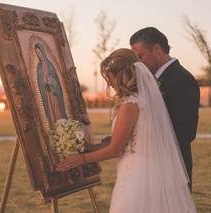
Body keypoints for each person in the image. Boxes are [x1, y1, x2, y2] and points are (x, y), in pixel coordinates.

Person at [56, 49, 196, 213]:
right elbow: (127, 140)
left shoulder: (130, 105)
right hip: (149, 169)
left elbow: (115, 149)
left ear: (121, 75)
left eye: (110, 79)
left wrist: (81, 159)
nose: (110, 84)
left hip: (137, 174)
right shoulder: (144, 100)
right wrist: (91, 147)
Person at [130, 27, 200, 189]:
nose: (138, 64)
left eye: (141, 56)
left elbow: (186, 132)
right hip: (154, 166)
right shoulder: (152, 80)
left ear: (156, 49)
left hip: (172, 169)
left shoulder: (181, 79)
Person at [35, 43, 68, 128]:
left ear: (43, 52)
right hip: (46, 94)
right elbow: (39, 82)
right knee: (50, 111)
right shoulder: (39, 67)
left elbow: (56, 80)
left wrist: (52, 81)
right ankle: (54, 127)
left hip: (53, 93)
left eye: (40, 52)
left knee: (57, 110)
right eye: (37, 53)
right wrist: (43, 83)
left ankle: (61, 127)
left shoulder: (50, 65)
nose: (39, 55)